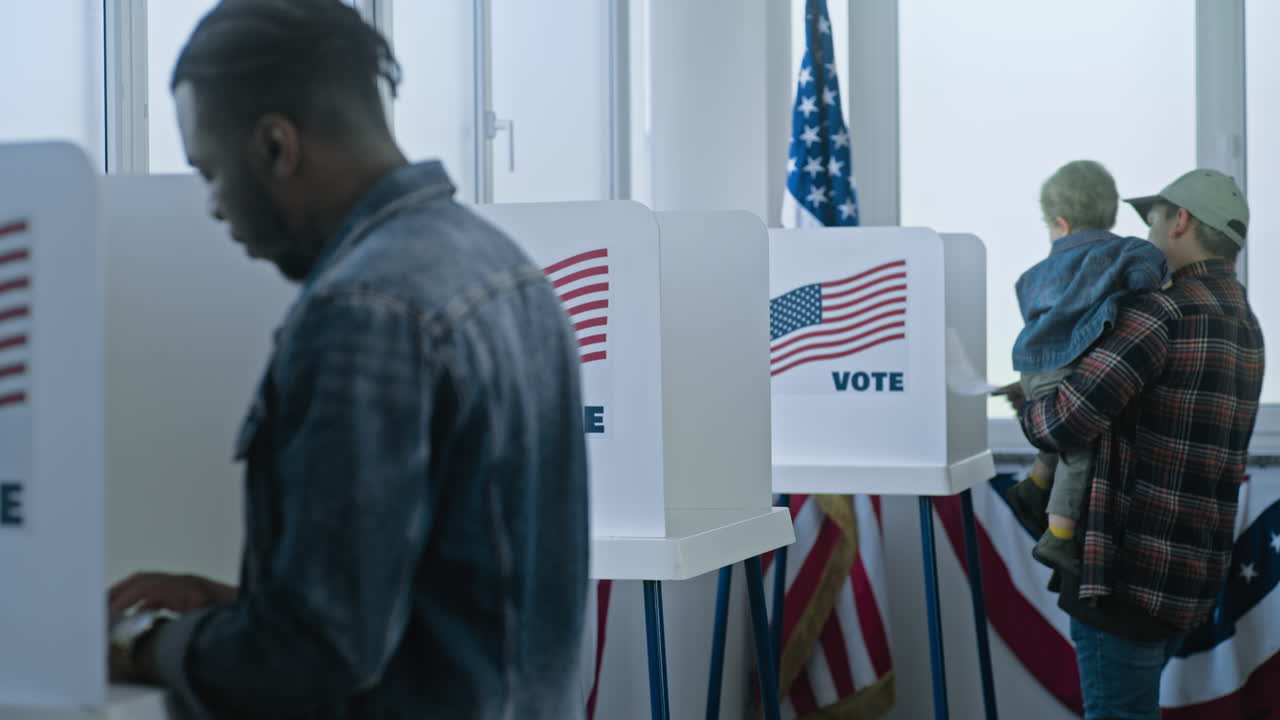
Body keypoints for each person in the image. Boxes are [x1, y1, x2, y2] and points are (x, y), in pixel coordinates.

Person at [104, 1, 590, 718]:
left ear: (276, 147)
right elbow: (456, 602)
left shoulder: (363, 311)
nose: (210, 207)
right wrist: (242, 611)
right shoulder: (506, 270)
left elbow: (315, 657)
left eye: (209, 171)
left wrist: (146, 643)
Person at [1012, 168, 1263, 720]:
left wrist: (1031, 397)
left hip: (1124, 581)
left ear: (1181, 221)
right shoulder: (1247, 323)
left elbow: (1061, 423)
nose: (1145, 234)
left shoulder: (1162, 313)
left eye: (1152, 219)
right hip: (1188, 579)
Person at [999, 160, 1167, 575]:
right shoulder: (1125, 251)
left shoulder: (1034, 275)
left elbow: (1027, 304)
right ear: (1110, 212)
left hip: (1031, 365)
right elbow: (1150, 272)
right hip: (1068, 363)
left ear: (1059, 222)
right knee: (1079, 446)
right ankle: (1058, 537)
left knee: (1055, 424)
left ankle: (1036, 485)